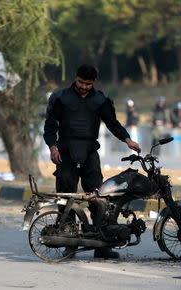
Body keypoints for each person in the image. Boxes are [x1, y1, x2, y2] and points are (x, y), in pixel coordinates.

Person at [44, 64, 140, 259]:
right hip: (65, 154)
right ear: (76, 78)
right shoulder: (61, 98)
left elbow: (113, 123)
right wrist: (52, 148)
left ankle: (102, 246)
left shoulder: (100, 100)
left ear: (93, 82)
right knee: (66, 199)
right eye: (80, 82)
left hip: (89, 154)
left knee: (99, 198)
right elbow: (50, 126)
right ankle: (68, 243)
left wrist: (127, 140)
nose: (84, 87)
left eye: (88, 84)